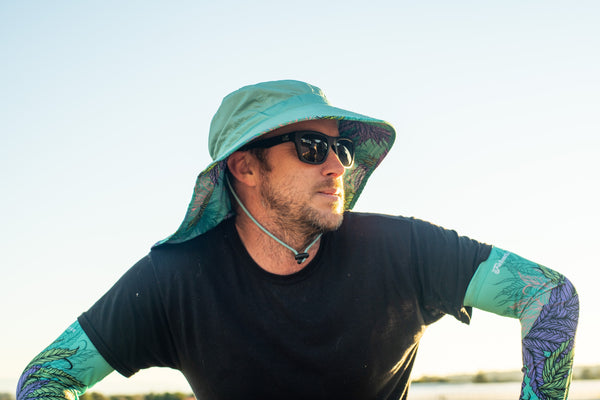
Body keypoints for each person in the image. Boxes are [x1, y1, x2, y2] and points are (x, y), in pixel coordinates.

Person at [18, 80, 578, 400]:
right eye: (311, 146)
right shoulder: (174, 281)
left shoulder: (401, 249)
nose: (337, 165)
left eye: (343, 149)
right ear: (245, 167)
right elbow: (46, 378)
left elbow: (549, 295)